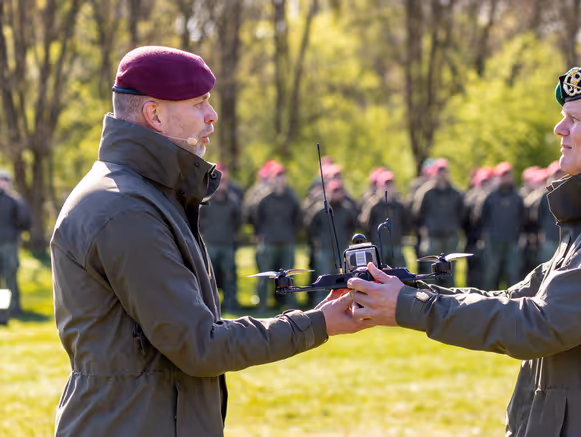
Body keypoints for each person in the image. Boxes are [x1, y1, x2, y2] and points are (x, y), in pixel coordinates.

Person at [347, 60, 581, 436]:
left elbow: (539, 324)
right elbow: (514, 299)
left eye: (574, 119)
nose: (559, 129)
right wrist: (402, 290)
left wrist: (406, 305)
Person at [50, 46, 365, 437]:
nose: (212, 116)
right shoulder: (125, 208)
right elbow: (200, 345)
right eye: (199, 103)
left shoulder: (148, 193)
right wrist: (317, 323)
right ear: (155, 114)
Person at [246, 162, 302, 310]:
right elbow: (254, 217)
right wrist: (258, 234)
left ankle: (290, 305)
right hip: (268, 241)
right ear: (270, 178)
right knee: (264, 275)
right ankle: (262, 305)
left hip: (286, 241)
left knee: (289, 275)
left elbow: (298, 218)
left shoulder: (291, 198)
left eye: (282, 175)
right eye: (277, 176)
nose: (280, 179)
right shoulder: (263, 198)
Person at [411, 159, 464, 287]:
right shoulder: (426, 192)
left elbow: (462, 214)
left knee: (449, 273)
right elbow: (417, 213)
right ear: (434, 173)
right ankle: (430, 301)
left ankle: (450, 300)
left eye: (444, 171)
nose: (442, 174)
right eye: (439, 171)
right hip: (432, 238)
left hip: (450, 238)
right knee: (431, 273)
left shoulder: (456, 193)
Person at [476, 162, 526, 290]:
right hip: (493, 242)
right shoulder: (489, 197)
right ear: (498, 177)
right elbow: (481, 218)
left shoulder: (518, 198)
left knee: (513, 273)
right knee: (491, 274)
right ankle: (488, 301)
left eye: (509, 175)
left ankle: (513, 301)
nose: (507, 178)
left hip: (512, 241)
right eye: (503, 175)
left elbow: (522, 218)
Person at [200, 164, 242, 313]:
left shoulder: (233, 201)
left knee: (230, 276)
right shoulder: (205, 200)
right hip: (210, 244)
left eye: (224, 182)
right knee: (209, 277)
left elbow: (239, 221)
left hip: (227, 244)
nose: (221, 185)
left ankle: (231, 304)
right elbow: (199, 220)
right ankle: (209, 305)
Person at [0, 169, 31, 316]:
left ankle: (13, 308)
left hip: (9, 245)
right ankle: (3, 310)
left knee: (9, 276)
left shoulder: (15, 200)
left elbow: (26, 221)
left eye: (4, 180)